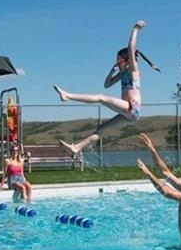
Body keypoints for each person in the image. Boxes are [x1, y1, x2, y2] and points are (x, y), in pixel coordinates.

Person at [55, 20, 146, 157]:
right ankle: (77, 148)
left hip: (132, 108)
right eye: (116, 60)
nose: (117, 63)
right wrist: (112, 70)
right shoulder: (122, 74)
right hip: (128, 113)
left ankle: (67, 96)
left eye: (119, 61)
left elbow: (131, 48)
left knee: (101, 97)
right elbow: (107, 84)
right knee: (101, 129)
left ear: (127, 61)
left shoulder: (133, 71)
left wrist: (135, 29)